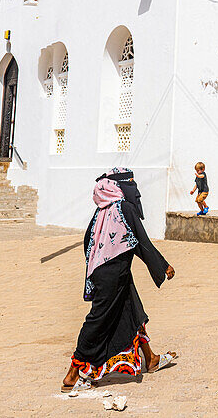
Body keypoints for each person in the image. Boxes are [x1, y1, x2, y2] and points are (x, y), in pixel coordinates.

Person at [62, 167, 177, 393]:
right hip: (113, 275)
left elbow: (88, 241)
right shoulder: (124, 208)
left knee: (134, 311)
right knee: (98, 320)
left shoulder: (102, 210)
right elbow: (141, 241)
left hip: (107, 272)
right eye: (130, 184)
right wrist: (163, 266)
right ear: (122, 186)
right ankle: (73, 372)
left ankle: (151, 358)